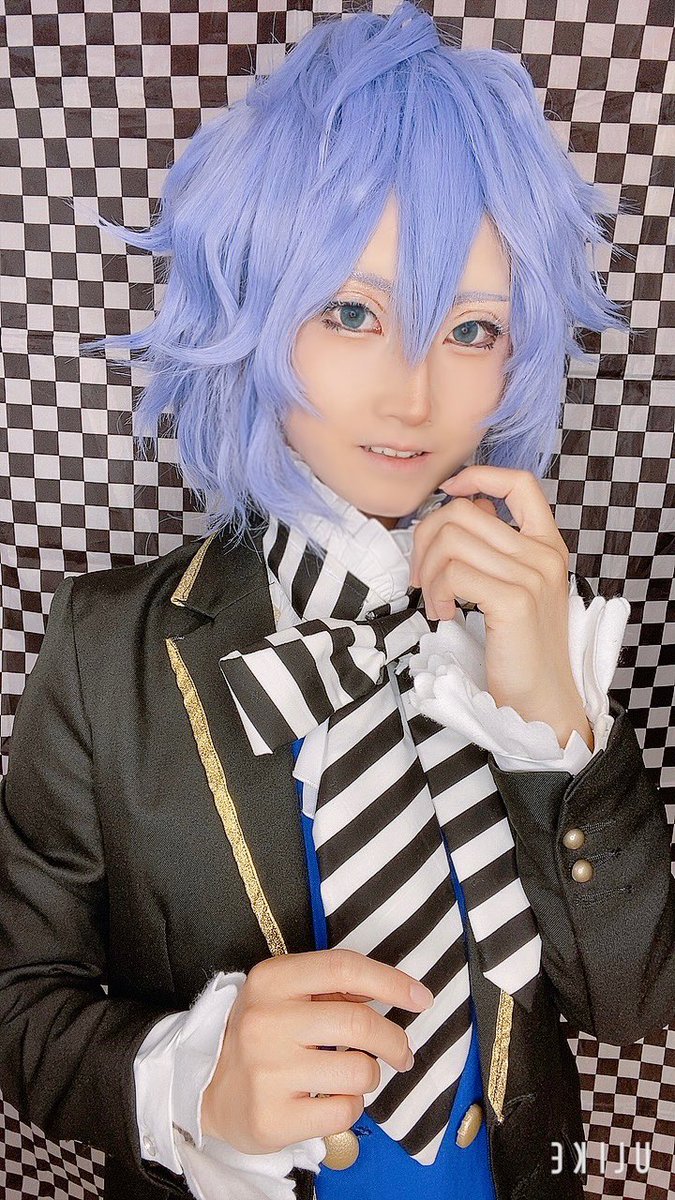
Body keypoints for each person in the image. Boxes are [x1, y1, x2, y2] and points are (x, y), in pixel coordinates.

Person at [1, 4, 673, 1200]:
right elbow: (20, 1003)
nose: (413, 395)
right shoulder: (106, 650)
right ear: (253, 310)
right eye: (352, 312)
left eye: (471, 329)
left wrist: (554, 728)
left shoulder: (537, 619)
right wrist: (185, 1082)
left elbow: (629, 1001)